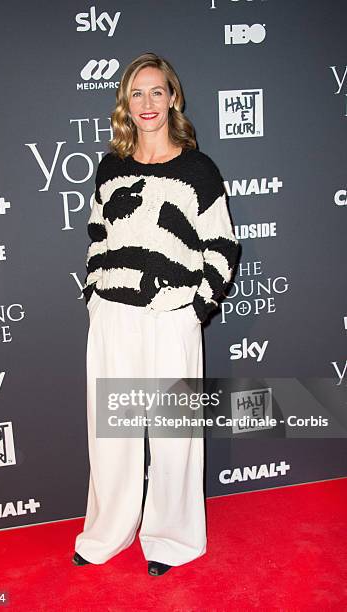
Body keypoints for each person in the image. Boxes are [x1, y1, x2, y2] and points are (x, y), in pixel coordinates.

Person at [73, 52, 240, 577]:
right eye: (137, 93)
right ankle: (107, 531)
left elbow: (223, 245)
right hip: (112, 316)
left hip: (171, 315)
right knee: (111, 434)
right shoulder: (110, 167)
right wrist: (95, 292)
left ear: (173, 98)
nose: (147, 102)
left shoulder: (198, 169)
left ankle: (171, 538)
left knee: (173, 435)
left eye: (157, 91)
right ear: (127, 103)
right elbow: (98, 235)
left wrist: (197, 306)